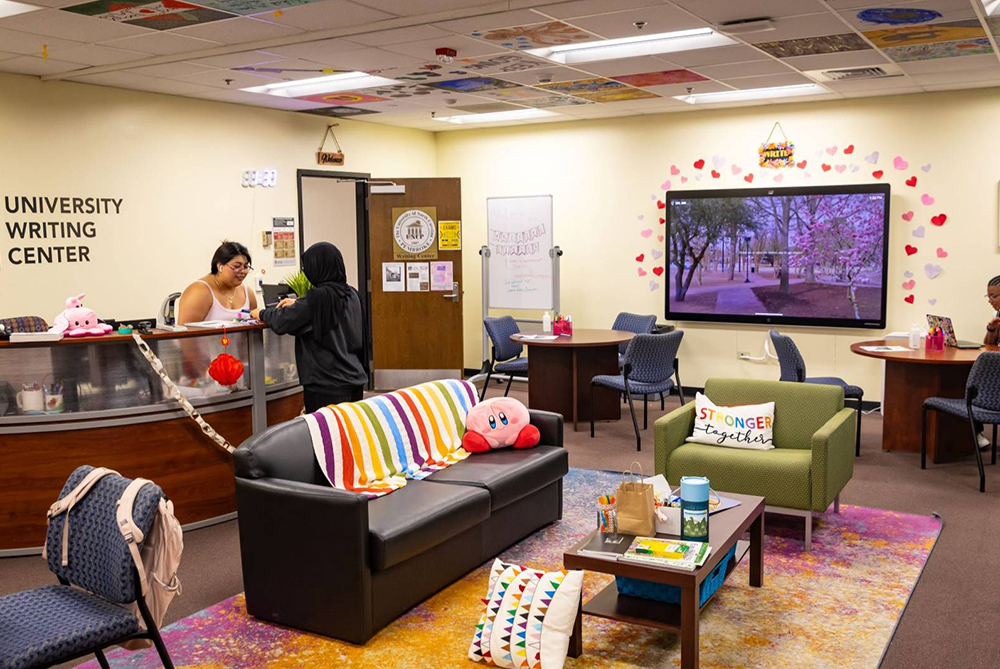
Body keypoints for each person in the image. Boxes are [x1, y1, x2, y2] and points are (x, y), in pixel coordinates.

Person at [251, 242, 367, 412]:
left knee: (325, 435)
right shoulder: (351, 293)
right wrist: (298, 302)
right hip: (354, 379)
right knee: (348, 432)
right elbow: (320, 312)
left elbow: (282, 321)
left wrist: (260, 313)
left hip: (325, 384)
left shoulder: (319, 298)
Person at [177, 241, 257, 325]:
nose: (243, 271)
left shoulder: (247, 292)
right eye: (236, 266)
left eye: (245, 266)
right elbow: (185, 332)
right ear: (220, 266)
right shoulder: (199, 292)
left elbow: (255, 326)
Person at [984, 274, 1000, 346]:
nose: (989, 301)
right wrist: (991, 329)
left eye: (993, 296)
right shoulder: (996, 315)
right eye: (988, 296)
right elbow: (989, 347)